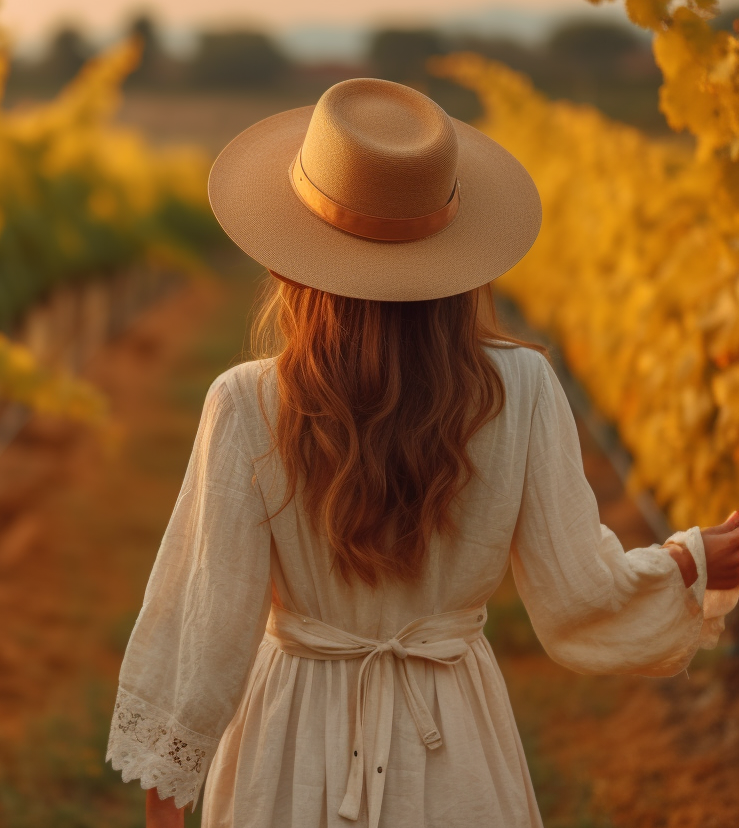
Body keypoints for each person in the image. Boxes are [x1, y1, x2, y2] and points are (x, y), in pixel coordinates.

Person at [105, 77, 739, 828]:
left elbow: (201, 628)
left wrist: (164, 807)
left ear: (286, 263)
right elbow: (579, 597)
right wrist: (693, 560)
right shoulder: (522, 387)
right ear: (458, 257)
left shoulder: (246, 402)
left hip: (291, 742)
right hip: (455, 744)